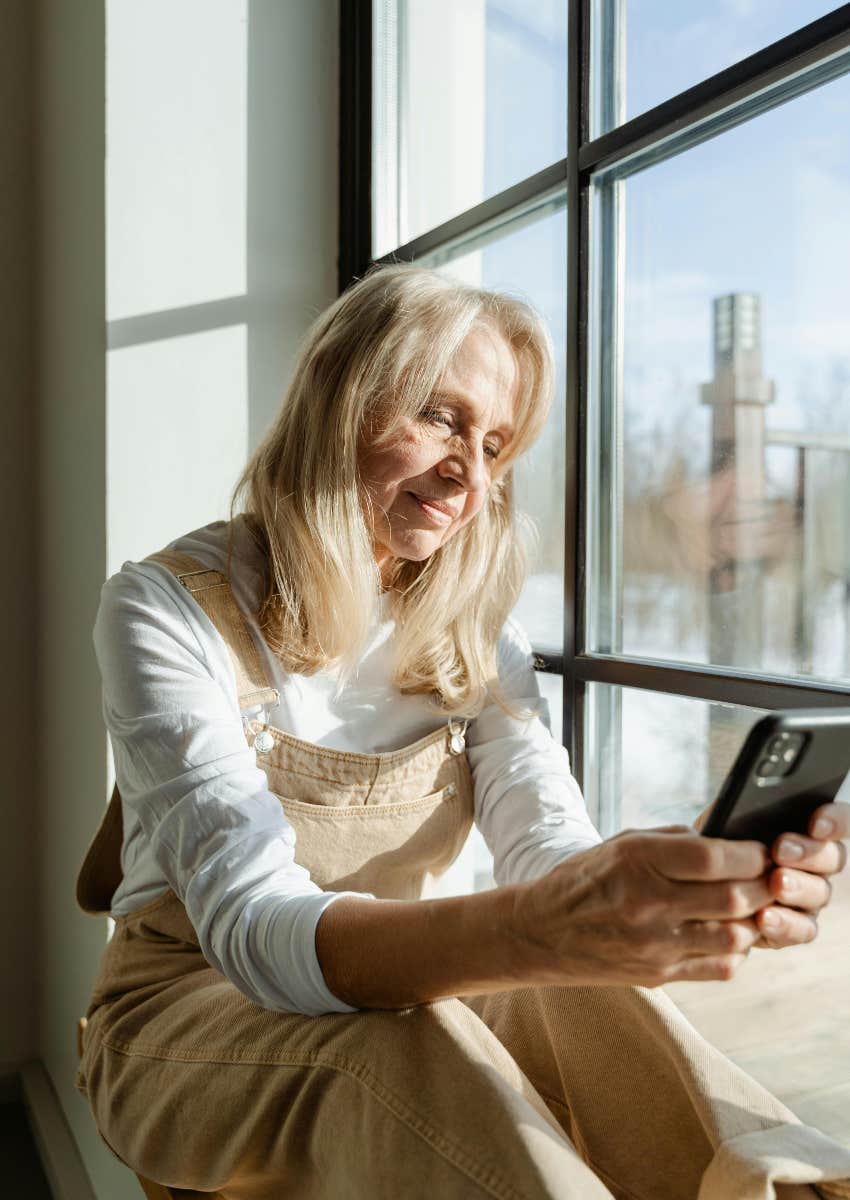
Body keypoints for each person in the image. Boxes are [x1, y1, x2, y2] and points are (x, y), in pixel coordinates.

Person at [75, 264, 850, 1200]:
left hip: (390, 984)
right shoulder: (164, 608)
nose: (470, 476)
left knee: (593, 997)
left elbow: (545, 847)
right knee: (408, 1035)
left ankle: (784, 1184)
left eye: (495, 446)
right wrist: (543, 928)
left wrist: (671, 881)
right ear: (340, 398)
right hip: (181, 1011)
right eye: (442, 418)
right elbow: (253, 931)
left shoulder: (476, 629)